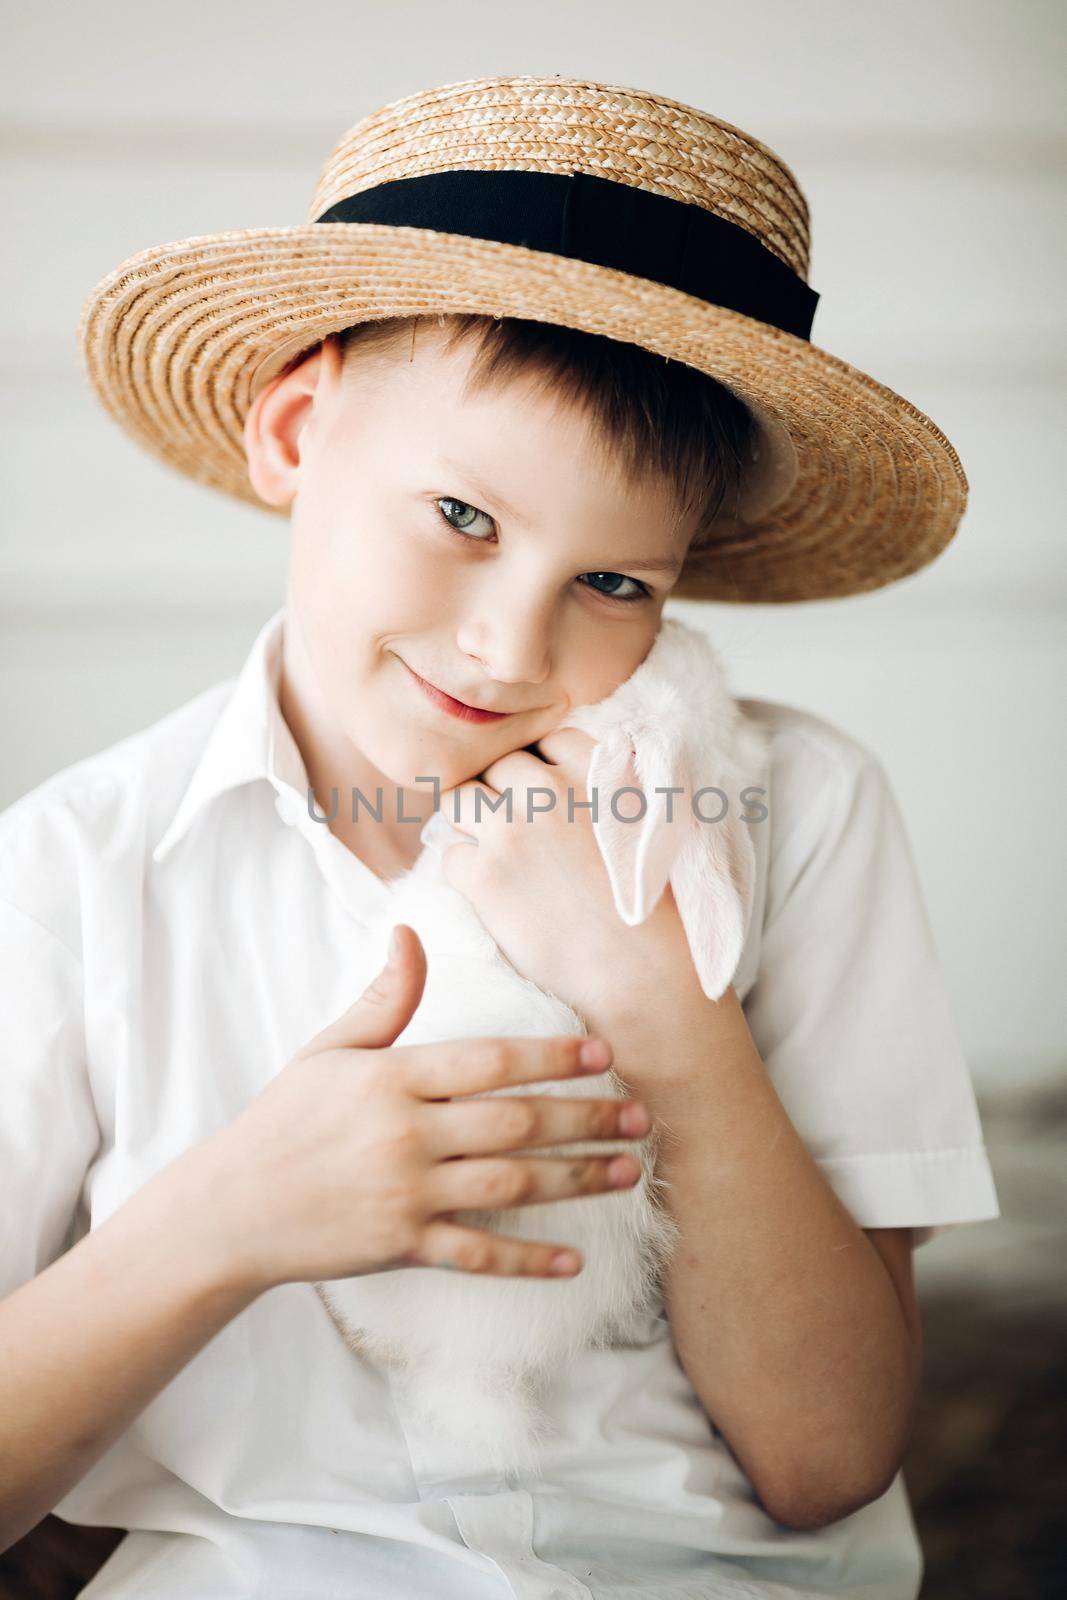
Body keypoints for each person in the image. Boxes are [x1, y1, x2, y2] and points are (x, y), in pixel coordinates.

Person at [0, 74, 1000, 1600]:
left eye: (617, 584)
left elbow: (827, 1456)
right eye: (462, 517)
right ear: (293, 426)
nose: (506, 647)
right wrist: (225, 1217)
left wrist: (664, 1007)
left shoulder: (796, 811)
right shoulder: (78, 874)